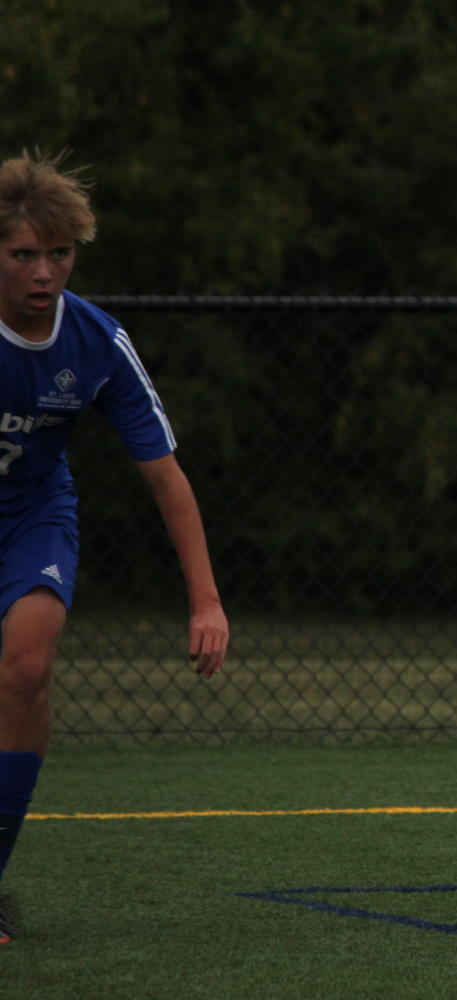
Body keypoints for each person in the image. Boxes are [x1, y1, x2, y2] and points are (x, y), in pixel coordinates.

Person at [0, 151, 229, 941]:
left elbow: (166, 479)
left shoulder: (95, 341)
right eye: (22, 254)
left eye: (57, 254)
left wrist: (205, 598)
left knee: (27, 663)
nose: (42, 272)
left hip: (32, 515)